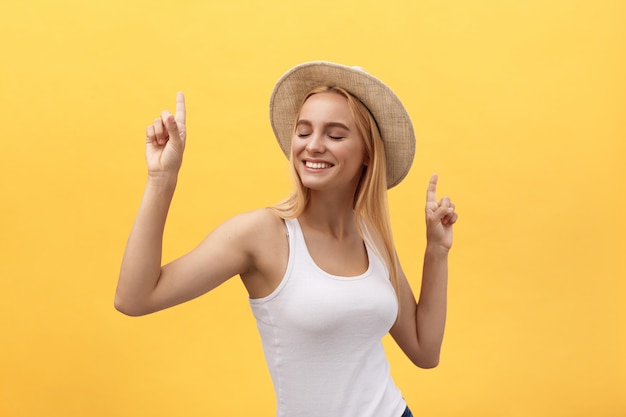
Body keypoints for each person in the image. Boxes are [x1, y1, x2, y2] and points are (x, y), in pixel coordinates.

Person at [115, 61, 458, 417]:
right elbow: (134, 298)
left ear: (368, 154)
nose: (313, 146)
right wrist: (161, 179)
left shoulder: (371, 237)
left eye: (335, 135)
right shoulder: (263, 234)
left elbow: (424, 350)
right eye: (304, 131)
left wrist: (436, 251)